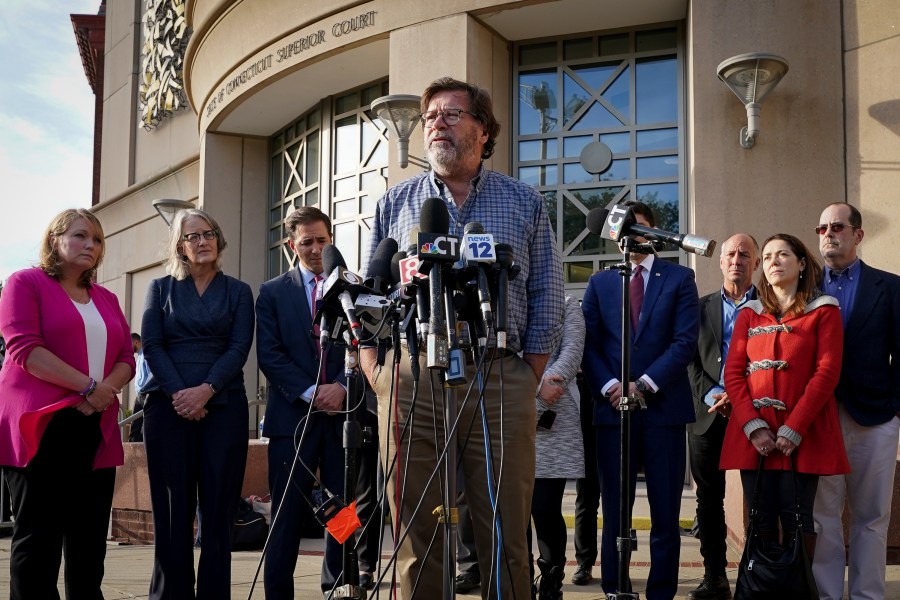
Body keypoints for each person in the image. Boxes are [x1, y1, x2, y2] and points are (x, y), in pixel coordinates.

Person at [361, 76, 564, 600]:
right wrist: (376, 369)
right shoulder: (394, 204)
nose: (437, 124)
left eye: (452, 114)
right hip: (412, 378)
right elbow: (371, 296)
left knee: (505, 526)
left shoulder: (525, 202)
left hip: (500, 375)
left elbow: (547, 291)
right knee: (414, 529)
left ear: (484, 130)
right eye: (431, 116)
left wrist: (527, 373)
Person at [0, 208, 135, 599]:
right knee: (38, 540)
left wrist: (102, 392)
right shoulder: (25, 283)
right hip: (41, 426)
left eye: (96, 240)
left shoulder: (106, 297)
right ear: (55, 241)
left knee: (89, 542)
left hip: (95, 425)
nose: (89, 245)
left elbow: (127, 357)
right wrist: (90, 387)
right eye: (79, 236)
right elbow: (26, 349)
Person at [581, 200, 699, 600]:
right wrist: (612, 387)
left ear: (654, 234)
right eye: (625, 228)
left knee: (665, 513)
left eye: (640, 228)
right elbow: (590, 344)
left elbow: (684, 343)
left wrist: (644, 384)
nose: (631, 236)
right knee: (615, 511)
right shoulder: (600, 282)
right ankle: (616, 588)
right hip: (612, 413)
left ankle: (661, 593)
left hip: (663, 411)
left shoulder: (680, 278)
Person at [141, 208, 254, 599]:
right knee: (172, 514)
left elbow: (239, 348)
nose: (202, 241)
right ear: (180, 245)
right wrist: (180, 394)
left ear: (218, 239)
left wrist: (206, 389)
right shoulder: (159, 288)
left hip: (224, 408)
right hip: (168, 409)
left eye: (208, 233)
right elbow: (152, 345)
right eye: (192, 236)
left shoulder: (239, 291)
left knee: (220, 512)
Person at [720, 233, 849, 567]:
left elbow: (827, 373)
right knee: (759, 520)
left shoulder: (824, 311)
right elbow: (734, 374)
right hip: (754, 437)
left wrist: (794, 427)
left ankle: (798, 589)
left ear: (802, 263)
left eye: (782, 255)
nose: (773, 262)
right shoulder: (749, 314)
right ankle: (760, 588)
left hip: (802, 435)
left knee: (798, 520)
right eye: (766, 257)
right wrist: (752, 425)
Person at [256, 206, 349, 598]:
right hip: (292, 418)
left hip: (343, 418)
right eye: (307, 241)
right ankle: (278, 591)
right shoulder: (273, 292)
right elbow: (270, 355)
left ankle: (338, 585)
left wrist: (342, 386)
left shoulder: (351, 287)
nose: (315, 248)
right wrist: (313, 392)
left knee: (342, 513)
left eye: (322, 240)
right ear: (292, 245)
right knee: (286, 515)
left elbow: (368, 347)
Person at [811, 203, 900, 600]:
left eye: (837, 227)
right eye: (822, 228)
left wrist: (894, 406)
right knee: (823, 516)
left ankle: (867, 595)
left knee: (871, 517)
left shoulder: (891, 287)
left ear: (858, 235)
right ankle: (828, 595)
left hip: (875, 418)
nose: (828, 234)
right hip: (819, 420)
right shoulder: (805, 288)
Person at [686, 233, 760, 600]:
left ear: (756, 263)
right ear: (719, 262)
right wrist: (715, 393)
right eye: (730, 254)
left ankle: (755, 578)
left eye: (745, 255)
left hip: (756, 416)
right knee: (708, 502)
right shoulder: (699, 308)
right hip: (706, 415)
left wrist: (739, 394)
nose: (736, 260)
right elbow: (690, 360)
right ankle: (715, 577)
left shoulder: (770, 306)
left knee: (759, 500)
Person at [530, 293, 585, 599]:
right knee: (513, 510)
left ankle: (551, 580)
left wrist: (544, 389)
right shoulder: (507, 302)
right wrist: (535, 390)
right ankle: (518, 577)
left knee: (544, 507)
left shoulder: (567, 303)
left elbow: (573, 351)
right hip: (509, 413)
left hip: (556, 417)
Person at [570, 369, 600, 586]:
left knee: (619, 499)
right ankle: (584, 562)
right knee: (586, 496)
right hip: (583, 398)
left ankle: (617, 564)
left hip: (614, 397)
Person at [129, 332, 149, 442]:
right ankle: (132, 455)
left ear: (136, 341)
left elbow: (151, 375)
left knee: (144, 427)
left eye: (130, 343)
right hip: (139, 395)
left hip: (146, 394)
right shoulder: (139, 357)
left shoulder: (147, 353)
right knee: (135, 427)